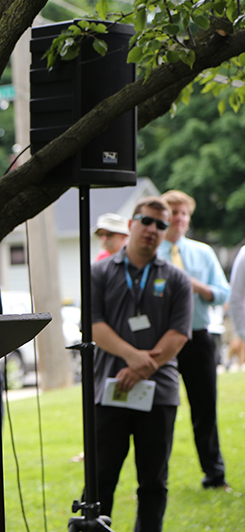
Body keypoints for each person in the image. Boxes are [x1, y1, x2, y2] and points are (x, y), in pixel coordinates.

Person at [91, 196, 193, 531]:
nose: (152, 229)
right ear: (131, 224)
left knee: (153, 482)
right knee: (101, 479)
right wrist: (134, 357)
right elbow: (94, 327)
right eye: (146, 221)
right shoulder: (100, 272)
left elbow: (179, 334)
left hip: (159, 393)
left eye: (161, 225)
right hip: (110, 389)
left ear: (166, 232)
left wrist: (140, 368)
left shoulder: (177, 280)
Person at [157, 189, 231, 491]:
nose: (178, 218)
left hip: (199, 339)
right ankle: (155, 479)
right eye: (173, 213)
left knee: (205, 410)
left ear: (189, 219)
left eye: (183, 213)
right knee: (160, 413)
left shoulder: (203, 253)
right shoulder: (151, 253)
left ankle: (215, 477)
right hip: (161, 342)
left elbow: (224, 294)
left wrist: (197, 285)